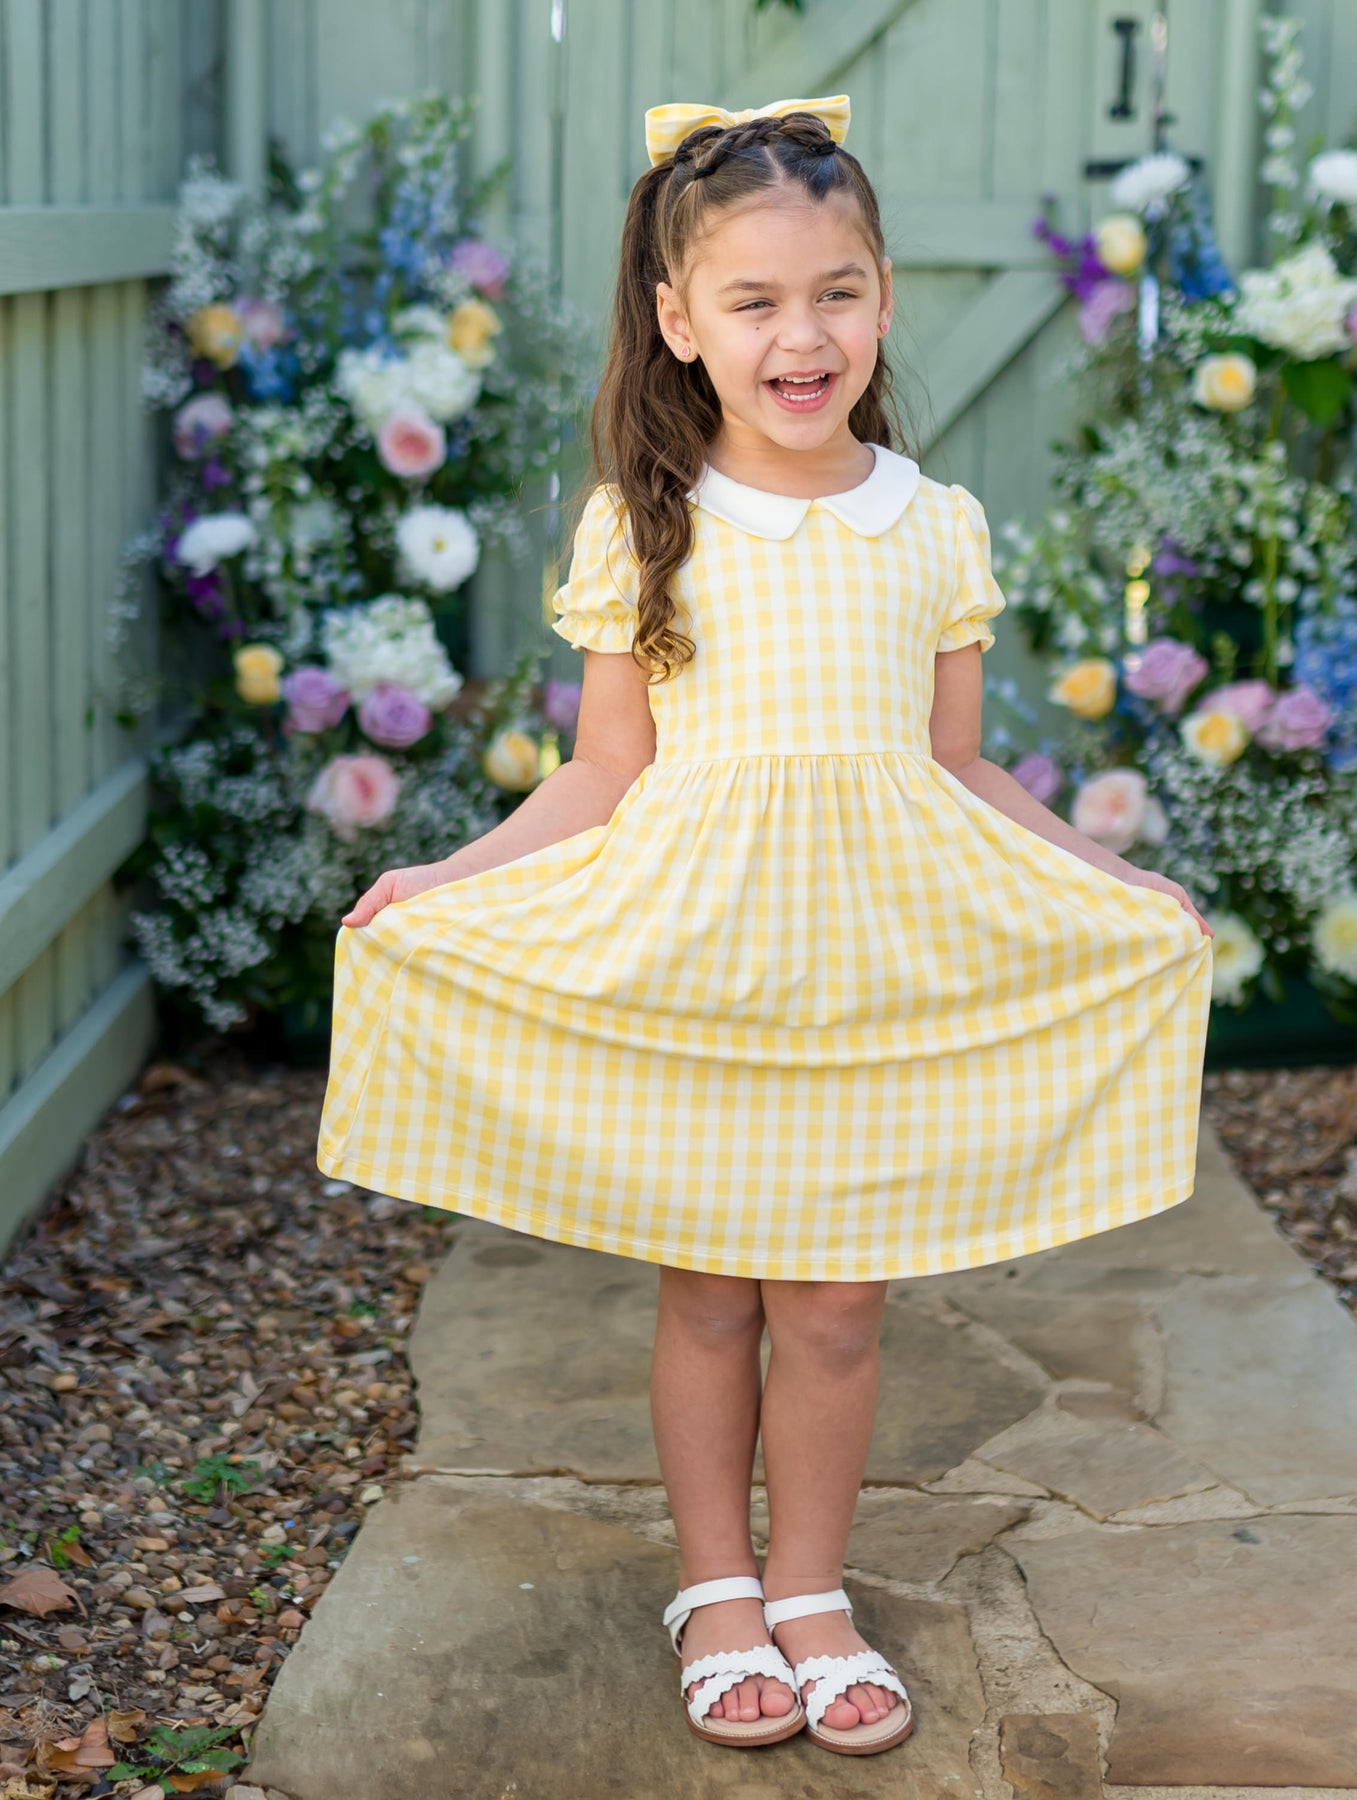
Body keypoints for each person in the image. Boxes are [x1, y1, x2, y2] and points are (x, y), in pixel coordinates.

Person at [316, 91, 1214, 1758]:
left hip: (868, 971)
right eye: (755, 302)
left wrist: (1105, 876)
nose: (803, 337)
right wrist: (450, 880)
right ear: (678, 321)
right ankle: (715, 1589)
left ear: (880, 297)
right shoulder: (644, 525)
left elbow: (956, 766)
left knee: (837, 1310)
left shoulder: (930, 524)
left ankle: (812, 1590)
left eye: (839, 294)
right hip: (703, 965)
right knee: (713, 1299)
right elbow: (601, 775)